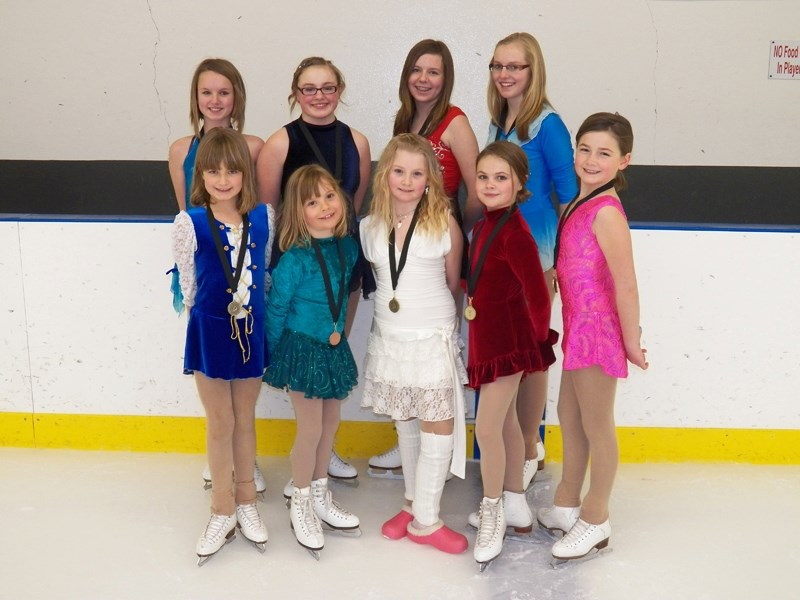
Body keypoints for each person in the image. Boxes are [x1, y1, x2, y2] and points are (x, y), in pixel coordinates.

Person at [537, 113, 648, 561]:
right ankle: (567, 502)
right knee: (569, 411)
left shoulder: (607, 214)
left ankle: (596, 517)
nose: (590, 159)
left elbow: (626, 283)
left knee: (597, 424)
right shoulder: (574, 205)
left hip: (600, 330)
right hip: (578, 329)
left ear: (624, 161)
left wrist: (632, 339)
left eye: (604, 153)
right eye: (584, 149)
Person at [368, 39, 480, 481]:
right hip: (404, 235)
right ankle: (407, 441)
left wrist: (451, 224)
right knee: (403, 345)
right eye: (416, 69)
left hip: (437, 237)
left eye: (433, 72)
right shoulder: (405, 118)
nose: (423, 78)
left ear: (446, 78)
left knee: (434, 352)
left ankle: (437, 447)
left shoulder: (456, 123)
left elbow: (475, 189)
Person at [257, 56, 370, 482]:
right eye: (309, 88)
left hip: (342, 263)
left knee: (333, 347)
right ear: (296, 94)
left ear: (339, 90)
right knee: (307, 358)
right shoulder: (279, 144)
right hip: (299, 268)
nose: (319, 96)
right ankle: (309, 466)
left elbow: (352, 207)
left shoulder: (357, 141)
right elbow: (270, 217)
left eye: (327, 87)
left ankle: (326, 451)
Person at [360, 133, 468, 554]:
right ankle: (410, 504)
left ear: (430, 180)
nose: (407, 180)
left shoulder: (443, 222)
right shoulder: (370, 227)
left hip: (432, 340)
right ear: (385, 174)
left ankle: (427, 520)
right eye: (399, 171)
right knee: (405, 424)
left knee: (437, 427)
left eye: (417, 173)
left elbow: (452, 282)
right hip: (391, 339)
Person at [171, 128, 275, 565]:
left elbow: (264, 273)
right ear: (201, 176)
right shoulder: (188, 222)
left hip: (251, 330)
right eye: (212, 170)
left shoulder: (265, 216)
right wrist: (216, 317)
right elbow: (189, 287)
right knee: (220, 421)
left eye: (232, 169)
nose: (223, 178)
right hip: (211, 329)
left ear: (245, 173)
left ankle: (248, 503)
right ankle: (222, 510)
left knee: (245, 418)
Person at [167, 58, 267, 495]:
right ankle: (223, 474)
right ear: (195, 99)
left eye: (223, 92)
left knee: (243, 407)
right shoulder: (180, 150)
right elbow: (188, 210)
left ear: (236, 98)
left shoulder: (255, 145)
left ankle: (245, 470)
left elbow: (258, 214)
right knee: (219, 411)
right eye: (206, 92)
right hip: (207, 271)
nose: (214, 100)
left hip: (244, 270)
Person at [487, 32, 578, 489]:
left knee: (533, 355)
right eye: (498, 66)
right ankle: (520, 444)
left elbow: (570, 195)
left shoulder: (549, 125)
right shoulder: (499, 119)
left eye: (515, 67)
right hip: (501, 257)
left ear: (532, 71)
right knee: (512, 352)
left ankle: (528, 444)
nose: (505, 74)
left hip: (536, 256)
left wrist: (560, 262)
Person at [466, 141, 557, 570]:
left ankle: (493, 509)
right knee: (503, 425)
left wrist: (533, 349)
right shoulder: (485, 225)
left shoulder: (516, 232)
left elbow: (539, 296)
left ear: (520, 182)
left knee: (486, 429)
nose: (490, 184)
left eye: (501, 177)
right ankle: (515, 505)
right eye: (483, 176)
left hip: (508, 345)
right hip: (490, 338)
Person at [263, 164, 361, 559]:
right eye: (312, 201)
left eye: (329, 196)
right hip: (302, 349)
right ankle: (300, 500)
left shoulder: (348, 247)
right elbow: (276, 309)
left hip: (332, 348)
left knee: (331, 422)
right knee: (310, 428)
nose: (324, 206)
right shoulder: (294, 260)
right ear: (297, 211)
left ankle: (320, 491)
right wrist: (270, 354)